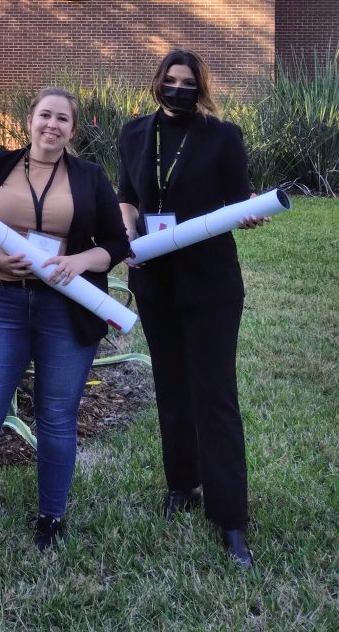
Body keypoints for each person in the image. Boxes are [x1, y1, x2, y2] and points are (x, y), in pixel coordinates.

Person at [0, 87, 129, 549]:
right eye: (44, 116)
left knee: (56, 416)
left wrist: (80, 262)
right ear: (29, 121)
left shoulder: (89, 176)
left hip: (65, 306)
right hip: (3, 302)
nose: (52, 126)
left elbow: (115, 243)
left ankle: (51, 517)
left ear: (72, 129)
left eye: (62, 119)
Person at [117, 48, 267, 569]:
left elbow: (237, 195)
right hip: (154, 279)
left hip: (210, 283)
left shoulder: (223, 136)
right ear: (157, 81)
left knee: (215, 394)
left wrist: (248, 211)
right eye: (170, 79)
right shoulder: (135, 132)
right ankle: (181, 484)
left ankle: (231, 519)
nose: (177, 87)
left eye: (187, 82)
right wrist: (127, 225)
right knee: (171, 388)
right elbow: (127, 197)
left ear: (200, 87)